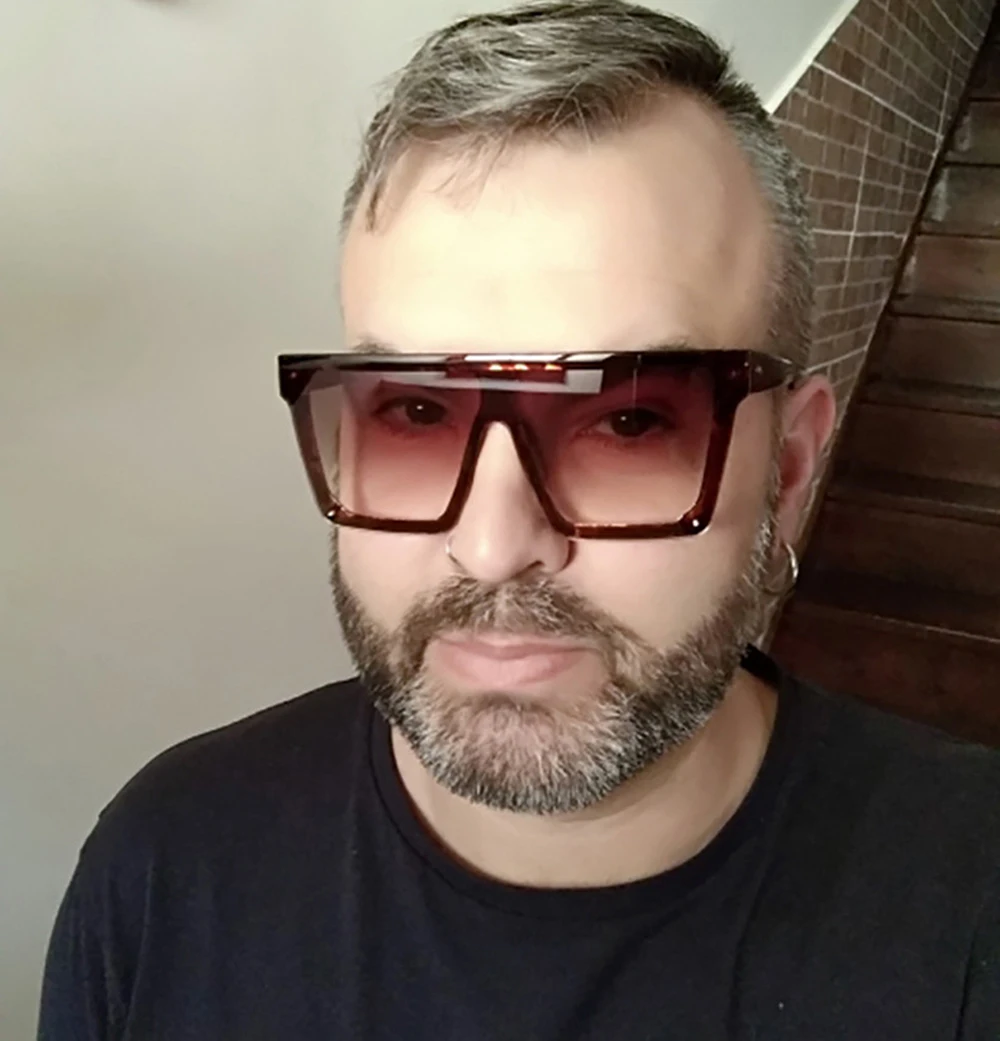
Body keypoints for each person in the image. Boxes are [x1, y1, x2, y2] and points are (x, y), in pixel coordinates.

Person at [39, 1, 1000, 1038]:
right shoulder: (165, 868)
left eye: (631, 421)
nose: (494, 548)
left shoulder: (966, 906)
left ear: (791, 467)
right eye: (414, 413)